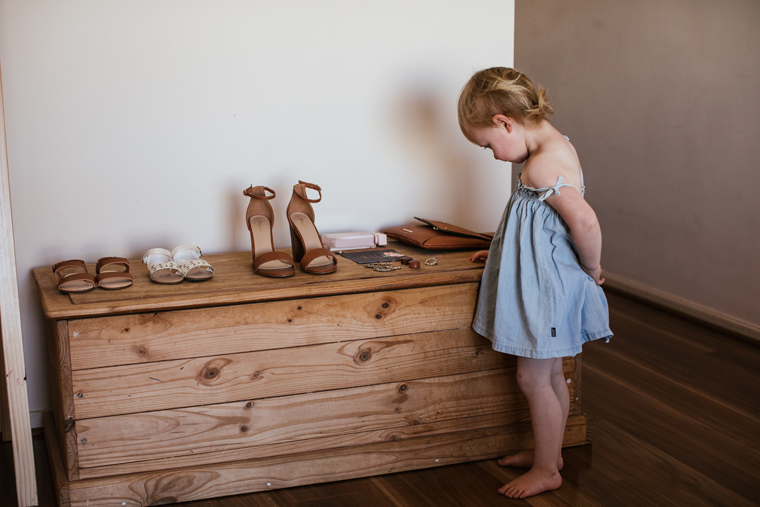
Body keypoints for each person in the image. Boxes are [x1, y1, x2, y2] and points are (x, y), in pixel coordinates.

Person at [457, 67, 613, 499]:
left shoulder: (542, 167)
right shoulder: (553, 147)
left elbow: (584, 220)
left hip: (546, 290)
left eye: (488, 145)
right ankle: (551, 453)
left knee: (533, 379)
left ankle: (546, 469)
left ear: (505, 122)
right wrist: (505, 249)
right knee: (548, 377)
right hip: (542, 275)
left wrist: (592, 268)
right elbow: (542, 227)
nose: (491, 155)